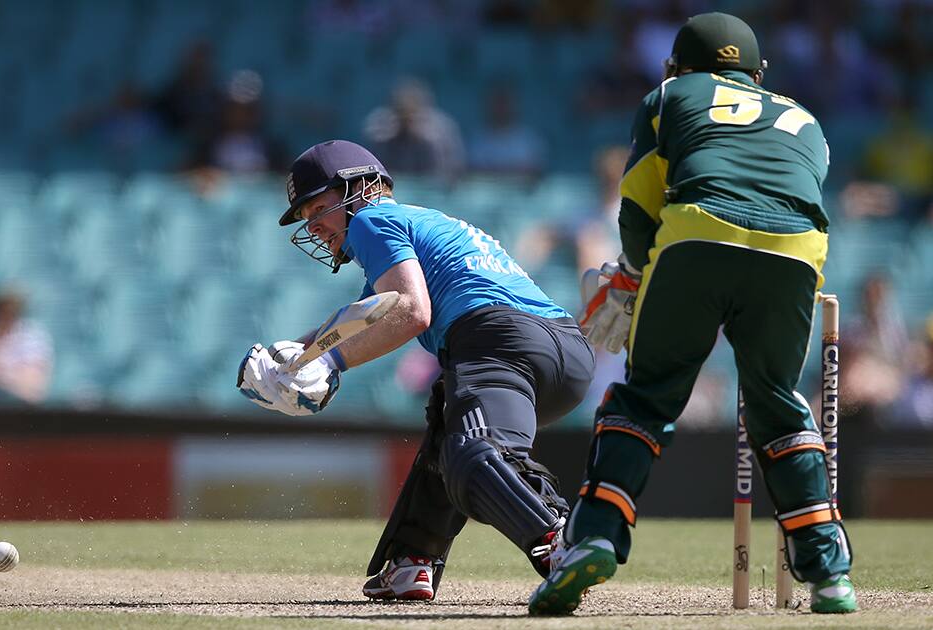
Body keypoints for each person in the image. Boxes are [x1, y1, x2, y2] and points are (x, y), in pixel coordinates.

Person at [530, 13, 856, 615]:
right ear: (758, 75)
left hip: (698, 234)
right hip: (795, 251)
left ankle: (594, 538)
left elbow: (637, 207)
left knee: (647, 398)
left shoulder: (670, 95)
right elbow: (794, 189)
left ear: (673, 66)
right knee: (778, 404)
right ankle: (829, 574)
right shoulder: (806, 119)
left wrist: (631, 275)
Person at [236, 139, 594, 600]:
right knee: (450, 429)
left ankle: (559, 539)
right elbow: (365, 314)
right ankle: (411, 561)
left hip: (494, 340)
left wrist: (328, 362)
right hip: (563, 349)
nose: (317, 227)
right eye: (307, 218)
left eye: (319, 208)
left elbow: (410, 311)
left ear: (360, 187)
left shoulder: (371, 220)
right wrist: (296, 356)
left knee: (471, 456)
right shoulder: (419, 222)